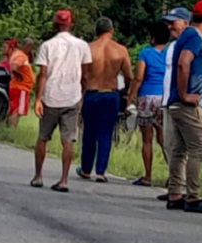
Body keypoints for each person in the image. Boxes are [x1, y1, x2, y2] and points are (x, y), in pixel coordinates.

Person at [166, 0, 202, 214]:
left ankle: (175, 194)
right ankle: (193, 196)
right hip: (188, 105)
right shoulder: (193, 36)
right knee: (199, 148)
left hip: (177, 104)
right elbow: (184, 62)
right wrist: (185, 94)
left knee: (180, 149)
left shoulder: (186, 36)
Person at [30, 10, 92, 192]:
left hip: (50, 97)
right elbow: (86, 74)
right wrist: (82, 93)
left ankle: (38, 176)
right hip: (72, 97)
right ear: (71, 24)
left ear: (55, 25)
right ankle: (64, 179)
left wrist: (38, 99)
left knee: (43, 137)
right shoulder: (82, 46)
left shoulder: (47, 46)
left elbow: (42, 74)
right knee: (68, 140)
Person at [78, 18, 132, 182]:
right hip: (110, 93)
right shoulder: (121, 50)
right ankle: (101, 171)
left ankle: (86, 168)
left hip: (92, 93)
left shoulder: (88, 48)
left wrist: (81, 92)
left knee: (89, 132)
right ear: (112, 30)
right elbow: (129, 76)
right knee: (106, 133)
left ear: (96, 31)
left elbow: (82, 75)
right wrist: (125, 92)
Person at [155, 7, 191, 201]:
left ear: (185, 23)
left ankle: (184, 188)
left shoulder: (195, 43)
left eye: (174, 22)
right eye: (168, 23)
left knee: (184, 147)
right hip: (170, 102)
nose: (170, 26)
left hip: (184, 103)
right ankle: (175, 188)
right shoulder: (172, 47)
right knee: (171, 146)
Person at [128, 22, 170, 186]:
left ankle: (148, 176)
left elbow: (139, 77)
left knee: (147, 139)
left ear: (152, 37)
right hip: (164, 98)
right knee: (164, 139)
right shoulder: (169, 54)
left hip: (146, 98)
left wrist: (131, 97)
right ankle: (174, 174)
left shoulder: (145, 53)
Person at [7, 38, 35, 128]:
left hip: (16, 87)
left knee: (14, 109)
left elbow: (31, 60)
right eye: (30, 46)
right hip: (21, 87)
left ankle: (9, 128)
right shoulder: (21, 56)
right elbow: (15, 67)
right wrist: (19, 75)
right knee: (17, 111)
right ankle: (12, 130)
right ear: (27, 46)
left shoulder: (19, 54)